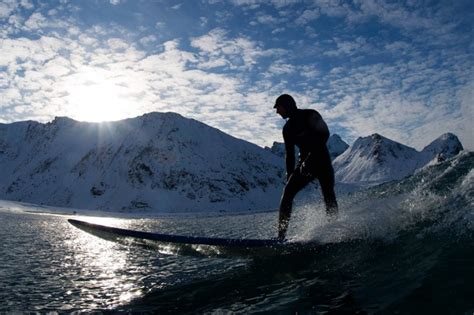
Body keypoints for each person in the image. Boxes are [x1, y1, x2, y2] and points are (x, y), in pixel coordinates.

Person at [274, 94, 338, 241]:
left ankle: (334, 231)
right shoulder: (287, 129)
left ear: (288, 105)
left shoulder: (311, 114)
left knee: (328, 195)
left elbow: (325, 134)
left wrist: (311, 156)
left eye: (279, 108)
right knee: (287, 193)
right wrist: (290, 175)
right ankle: (281, 237)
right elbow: (289, 155)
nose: (277, 112)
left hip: (322, 161)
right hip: (304, 164)